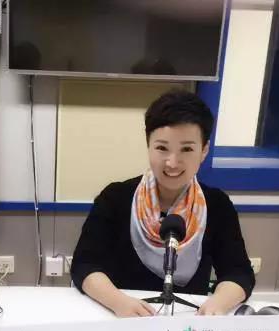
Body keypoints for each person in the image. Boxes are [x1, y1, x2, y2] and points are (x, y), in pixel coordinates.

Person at [70, 89, 254, 317]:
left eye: (186, 149)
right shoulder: (115, 197)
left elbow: (239, 273)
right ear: (148, 145)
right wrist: (118, 302)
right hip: (124, 317)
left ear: (204, 150)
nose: (172, 163)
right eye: (162, 148)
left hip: (188, 321)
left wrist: (219, 303)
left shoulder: (217, 205)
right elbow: (85, 265)